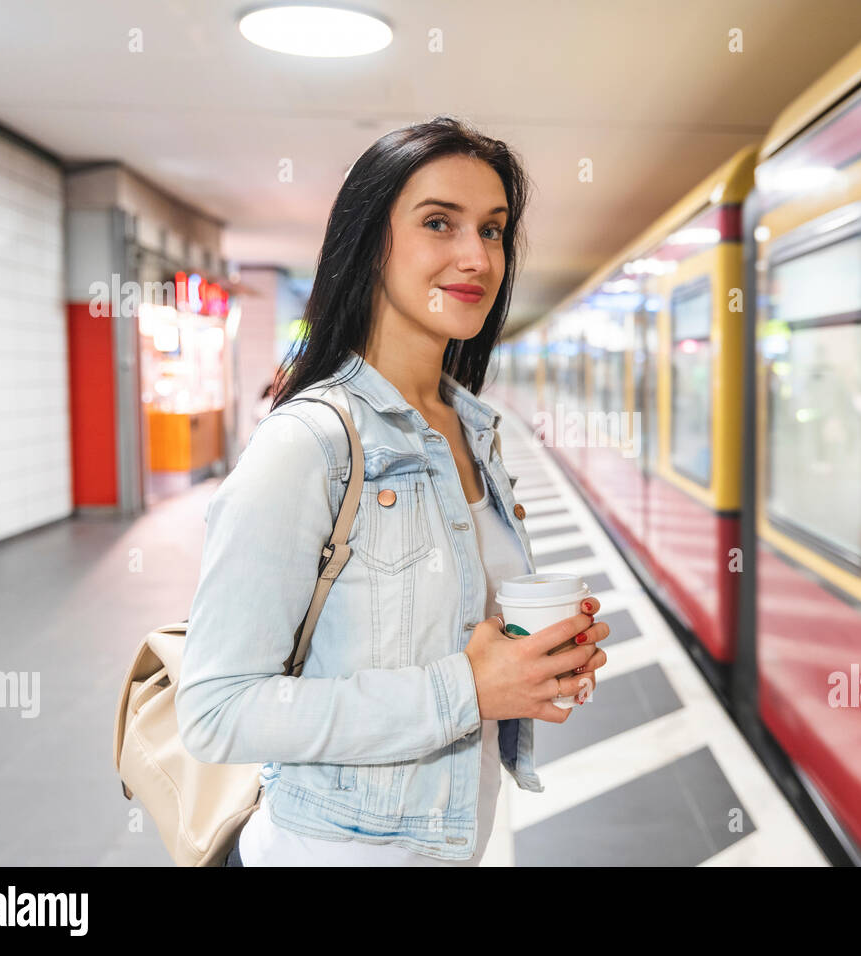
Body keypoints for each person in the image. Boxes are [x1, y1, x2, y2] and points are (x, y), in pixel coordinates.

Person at [175, 116, 609, 866]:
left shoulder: (473, 430)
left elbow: (460, 638)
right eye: (439, 223)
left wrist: (535, 665)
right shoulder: (308, 444)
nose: (476, 256)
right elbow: (216, 711)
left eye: (495, 230)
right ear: (370, 240)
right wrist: (468, 691)